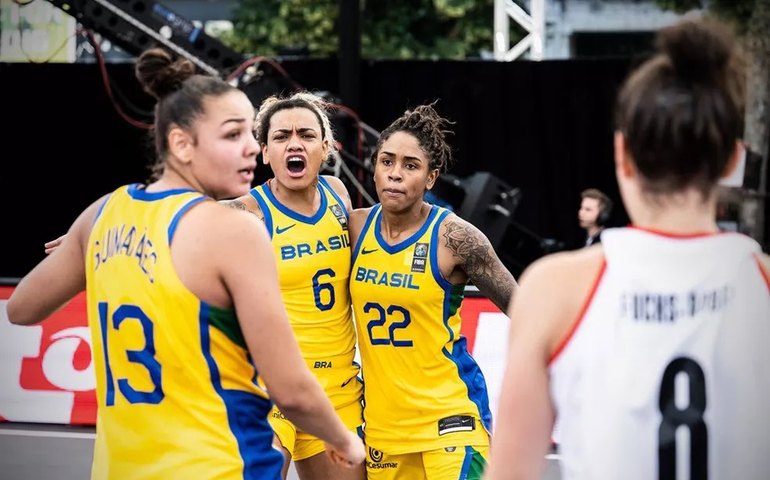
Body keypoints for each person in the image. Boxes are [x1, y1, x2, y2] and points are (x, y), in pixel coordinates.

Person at [8, 47, 364, 479]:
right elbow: (291, 390)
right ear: (181, 143)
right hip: (216, 452)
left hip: (125, 464)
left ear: (325, 147)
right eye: (233, 135)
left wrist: (92, 242)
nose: (248, 148)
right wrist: (346, 441)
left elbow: (19, 308)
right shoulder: (234, 227)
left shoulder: (104, 214)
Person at [484, 17, 770, 480]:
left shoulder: (555, 290)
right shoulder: (763, 285)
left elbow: (511, 473)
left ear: (622, 153)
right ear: (733, 160)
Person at [348, 103, 518, 479]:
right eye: (387, 161)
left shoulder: (456, 238)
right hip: (384, 433)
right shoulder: (354, 229)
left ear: (430, 178)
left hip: (451, 421)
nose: (395, 173)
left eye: (410, 165)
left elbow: (525, 312)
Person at [222, 91, 365, 480]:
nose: (294, 143)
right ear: (265, 152)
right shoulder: (245, 213)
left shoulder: (337, 194)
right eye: (282, 136)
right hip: (271, 391)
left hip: (336, 391)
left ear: (326, 147)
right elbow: (178, 223)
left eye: (306, 134)